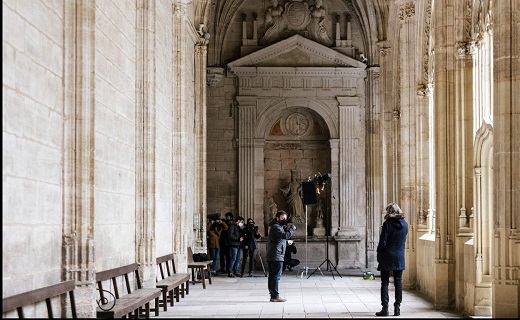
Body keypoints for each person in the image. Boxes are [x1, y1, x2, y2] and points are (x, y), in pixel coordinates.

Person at [375, 203, 409, 317]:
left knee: (384, 282)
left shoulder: (387, 224)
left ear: (389, 212)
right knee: (398, 282)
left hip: (387, 256)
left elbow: (383, 242)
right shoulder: (405, 224)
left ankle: (385, 309)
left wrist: (379, 252)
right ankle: (397, 308)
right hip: (399, 256)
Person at [266, 210, 296, 302]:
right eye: (283, 218)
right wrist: (292, 229)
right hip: (276, 255)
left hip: (275, 254)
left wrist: (286, 243)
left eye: (285, 218)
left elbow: (279, 240)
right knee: (276, 276)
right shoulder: (276, 227)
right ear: (277, 218)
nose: (284, 220)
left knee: (272, 276)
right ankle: (275, 296)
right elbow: (285, 235)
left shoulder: (277, 226)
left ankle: (273, 295)